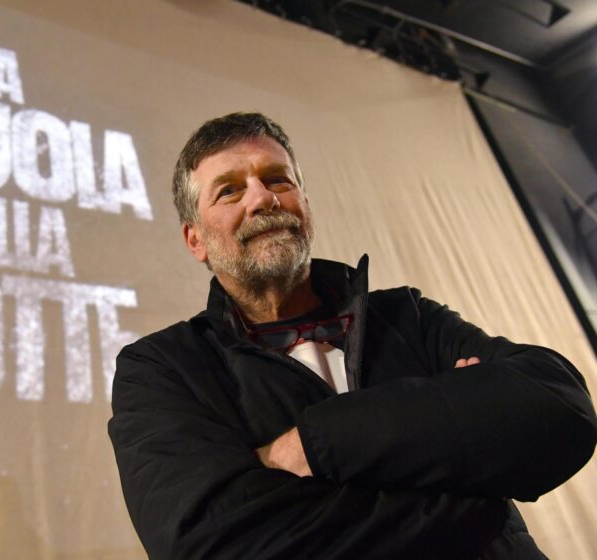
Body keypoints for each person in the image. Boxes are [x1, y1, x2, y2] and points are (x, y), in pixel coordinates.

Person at [107, 112, 597, 559]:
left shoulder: (407, 315)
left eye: (278, 179)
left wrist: (314, 445)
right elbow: (208, 543)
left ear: (304, 203)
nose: (263, 198)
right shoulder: (161, 368)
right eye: (230, 191)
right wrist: (468, 497)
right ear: (195, 239)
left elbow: (559, 408)